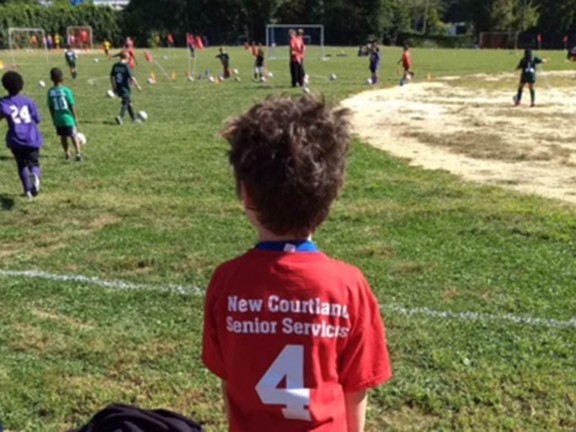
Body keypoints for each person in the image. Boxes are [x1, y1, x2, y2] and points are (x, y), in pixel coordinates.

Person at [202, 95, 392, 432]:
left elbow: (229, 379)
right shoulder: (348, 286)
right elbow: (355, 387)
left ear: (246, 195)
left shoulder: (226, 281)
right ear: (332, 195)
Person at [0, 71, 43, 198]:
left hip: (16, 139)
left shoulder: (4, 102)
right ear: (21, 85)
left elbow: (3, 113)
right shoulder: (29, 101)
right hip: (32, 138)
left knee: (21, 165)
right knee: (34, 163)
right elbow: (37, 119)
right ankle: (35, 175)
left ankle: (27, 190)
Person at [47, 67, 82, 161]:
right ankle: (78, 153)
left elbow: (51, 107)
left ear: (51, 78)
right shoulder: (66, 91)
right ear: (62, 78)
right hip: (68, 118)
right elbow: (71, 105)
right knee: (73, 135)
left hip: (58, 118)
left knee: (63, 137)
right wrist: (75, 117)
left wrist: (53, 118)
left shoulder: (50, 92)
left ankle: (67, 153)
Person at [110, 50, 142, 125]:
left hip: (118, 87)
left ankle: (134, 119)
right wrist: (138, 86)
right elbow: (132, 78)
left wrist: (114, 87)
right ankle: (120, 116)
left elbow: (112, 77)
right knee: (126, 103)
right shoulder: (126, 66)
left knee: (129, 102)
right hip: (125, 88)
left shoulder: (115, 65)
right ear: (126, 57)